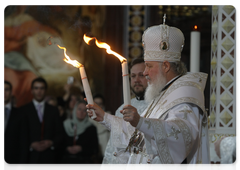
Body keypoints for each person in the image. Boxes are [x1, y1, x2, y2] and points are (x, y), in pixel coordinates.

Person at [87, 17, 210, 170]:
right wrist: (105, 117)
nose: (145, 73)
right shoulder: (162, 95)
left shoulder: (184, 97)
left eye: (148, 66)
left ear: (165, 66)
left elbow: (181, 134)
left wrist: (141, 121)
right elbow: (137, 134)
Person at [100, 57, 149, 170]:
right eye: (133, 76)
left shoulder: (157, 106)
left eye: (141, 75)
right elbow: (112, 148)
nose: (136, 80)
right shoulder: (121, 109)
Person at [21, 77, 64, 170]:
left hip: (49, 160)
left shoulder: (53, 110)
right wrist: (31, 145)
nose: (39, 91)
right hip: (29, 159)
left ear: (45, 90)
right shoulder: (23, 110)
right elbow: (20, 135)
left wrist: (51, 142)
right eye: (36, 88)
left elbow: (60, 133)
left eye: (42, 88)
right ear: (32, 90)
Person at [59, 100, 99, 170]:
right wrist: (67, 148)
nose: (81, 112)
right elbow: (59, 144)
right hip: (66, 163)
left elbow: (95, 149)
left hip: (84, 163)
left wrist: (81, 149)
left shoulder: (91, 128)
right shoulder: (65, 125)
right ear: (75, 110)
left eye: (84, 110)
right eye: (79, 109)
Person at [0, 81, 28, 170]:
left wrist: (22, 163)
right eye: (0, 90)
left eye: (6, 90)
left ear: (11, 92)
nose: (3, 92)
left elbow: (24, 140)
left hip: (14, 163)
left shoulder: (20, 114)